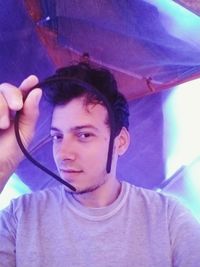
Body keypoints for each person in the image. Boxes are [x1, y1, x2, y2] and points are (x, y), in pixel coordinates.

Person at [0, 63, 200, 267]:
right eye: (57, 136)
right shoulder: (19, 218)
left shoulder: (169, 220)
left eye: (84, 135)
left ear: (120, 142)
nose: (63, 153)